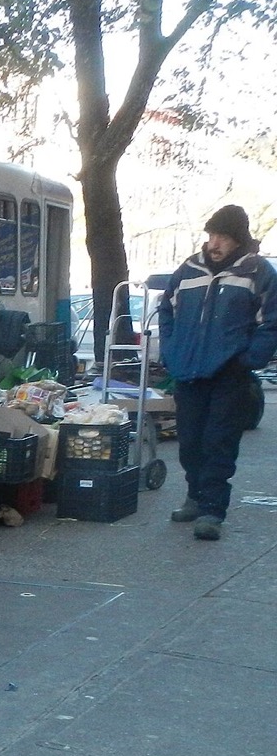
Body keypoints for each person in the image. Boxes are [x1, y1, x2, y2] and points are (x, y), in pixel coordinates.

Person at [157, 205, 277, 540]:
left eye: (222, 236)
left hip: (230, 375)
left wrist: (249, 359)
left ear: (238, 239)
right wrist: (171, 350)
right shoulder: (188, 270)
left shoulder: (258, 271)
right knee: (190, 441)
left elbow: (271, 323)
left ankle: (212, 510)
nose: (214, 243)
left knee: (218, 443)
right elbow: (166, 311)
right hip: (188, 372)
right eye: (211, 235)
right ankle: (194, 496)